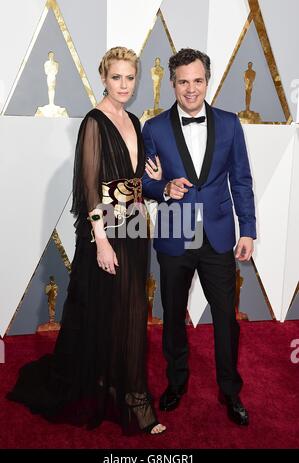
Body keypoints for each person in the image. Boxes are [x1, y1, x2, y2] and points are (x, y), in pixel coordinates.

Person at [7, 47, 166, 435]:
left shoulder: (133, 120)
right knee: (102, 310)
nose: (124, 85)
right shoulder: (94, 122)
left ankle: (126, 387)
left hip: (133, 225)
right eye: (117, 77)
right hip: (106, 230)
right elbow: (90, 188)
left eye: (130, 77)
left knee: (130, 309)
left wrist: (152, 179)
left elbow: (133, 181)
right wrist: (101, 240)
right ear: (104, 78)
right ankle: (128, 396)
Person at [142, 48, 256, 426]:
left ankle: (230, 390)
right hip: (175, 231)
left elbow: (241, 179)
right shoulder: (154, 128)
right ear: (172, 83)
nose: (191, 89)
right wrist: (163, 190)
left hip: (220, 235)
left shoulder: (229, 123)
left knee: (226, 317)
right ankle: (176, 382)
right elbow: (144, 182)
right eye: (183, 82)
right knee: (173, 314)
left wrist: (249, 230)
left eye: (198, 81)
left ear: (208, 81)